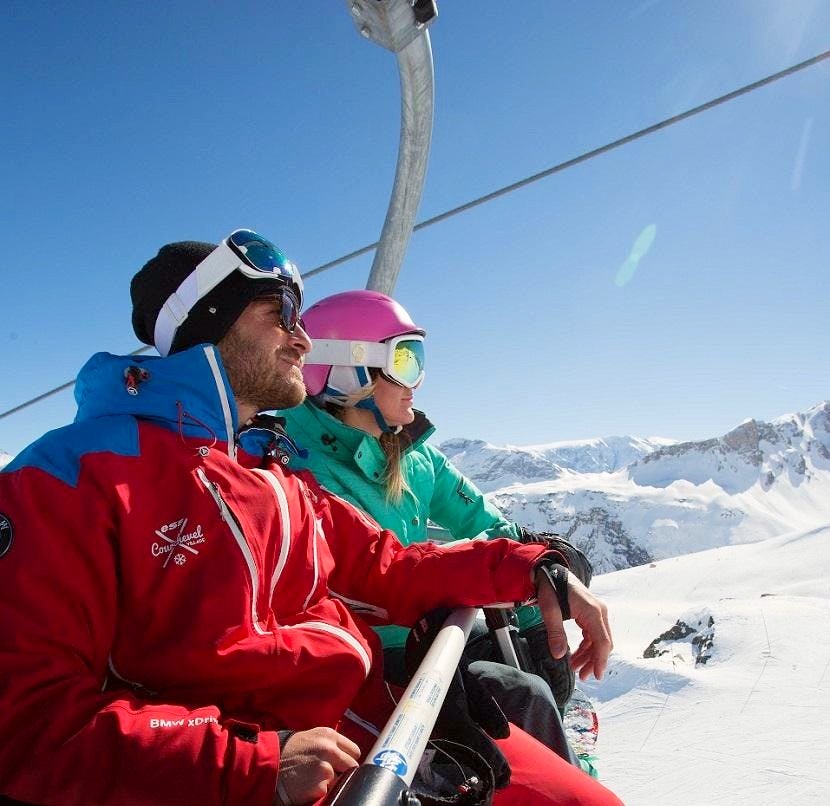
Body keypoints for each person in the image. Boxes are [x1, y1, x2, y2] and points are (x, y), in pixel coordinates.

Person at [0, 230, 619, 806]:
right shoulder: (69, 480)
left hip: (372, 728)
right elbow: (29, 723)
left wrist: (531, 566)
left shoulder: (271, 473)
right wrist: (251, 764)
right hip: (256, 769)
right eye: (279, 316)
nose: (301, 340)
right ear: (207, 326)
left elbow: (389, 568)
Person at [278, 290, 592, 765]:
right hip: (372, 657)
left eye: (417, 359)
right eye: (403, 360)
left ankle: (565, 749)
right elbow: (370, 576)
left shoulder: (414, 454)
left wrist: (546, 571)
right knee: (520, 695)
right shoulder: (293, 463)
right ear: (349, 369)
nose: (416, 381)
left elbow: (487, 524)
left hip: (434, 632)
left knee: (533, 655)